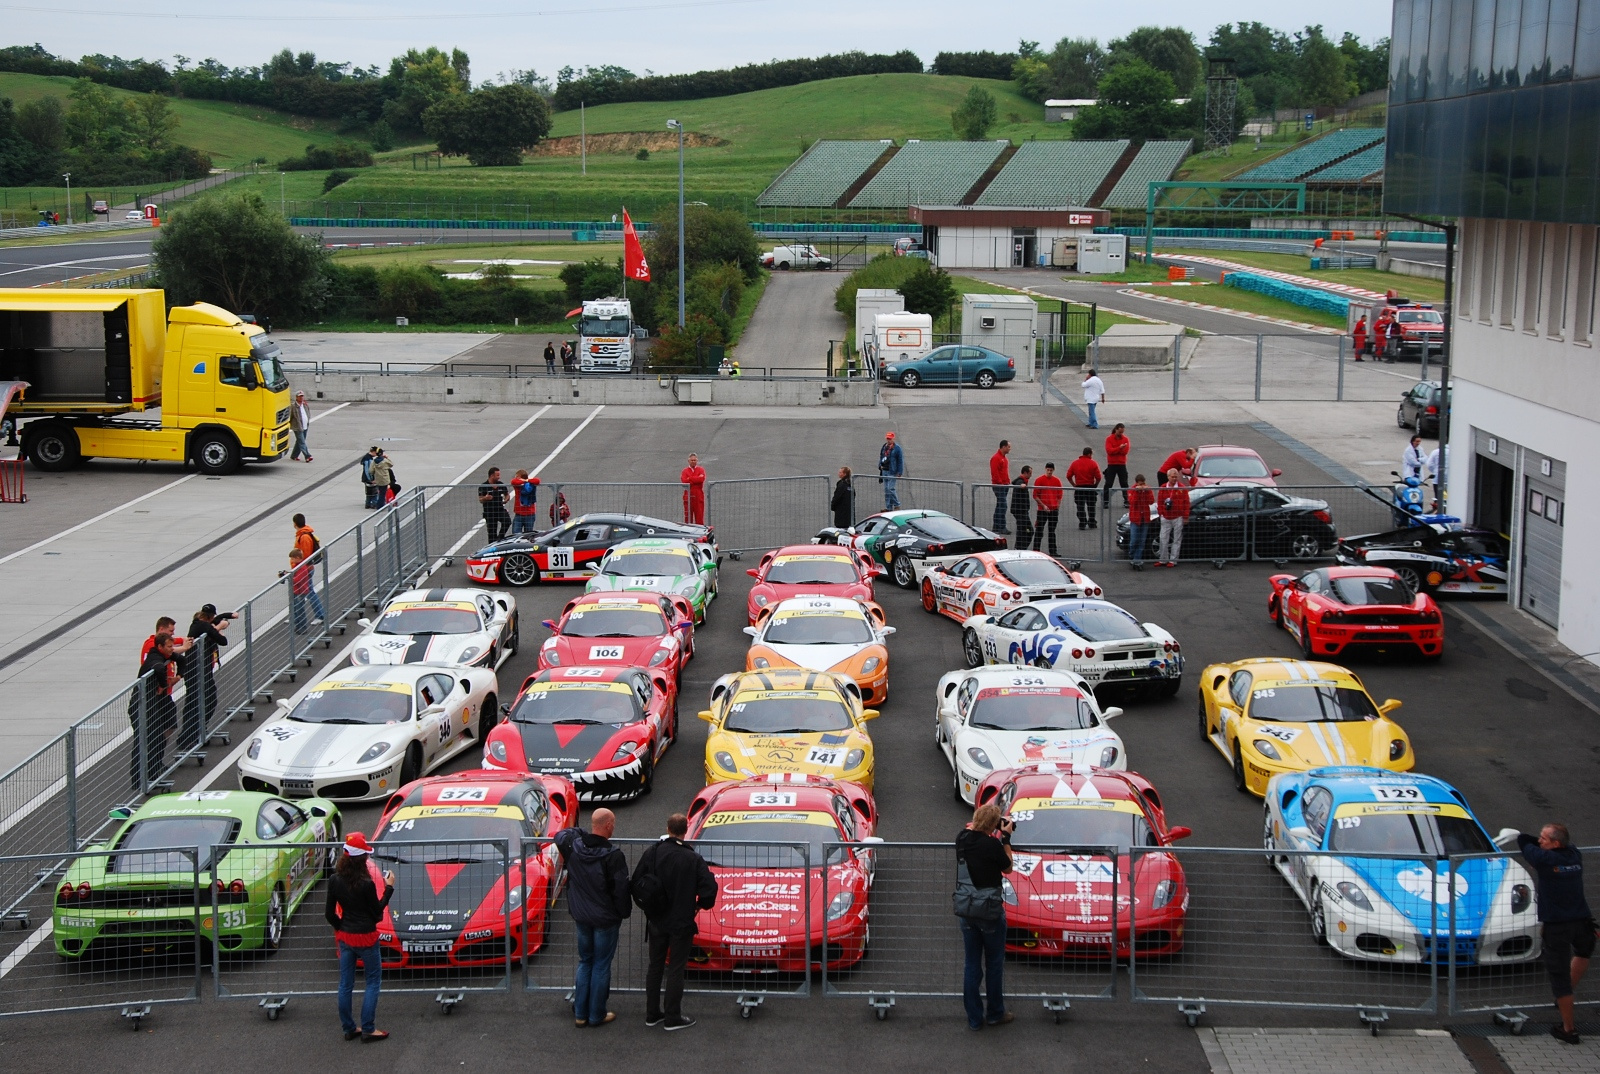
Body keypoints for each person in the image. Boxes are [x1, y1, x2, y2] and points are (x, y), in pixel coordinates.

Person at [632, 813, 716, 1031]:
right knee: (676, 968)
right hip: (681, 921)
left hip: (657, 920)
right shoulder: (692, 858)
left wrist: (648, 907)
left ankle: (652, 1014)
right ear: (685, 830)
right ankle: (672, 1016)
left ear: (668, 829)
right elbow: (709, 889)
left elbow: (636, 882)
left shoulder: (653, 852)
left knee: (655, 966)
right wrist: (700, 905)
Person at [1517, 824, 1595, 1045]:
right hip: (1582, 921)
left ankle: (1568, 1029)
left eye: (1544, 839)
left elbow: (1523, 840)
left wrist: (1533, 841)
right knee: (1584, 952)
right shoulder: (1574, 855)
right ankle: (1564, 998)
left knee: (1559, 979)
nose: (1540, 841)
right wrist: (1547, 840)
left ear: (1555, 844)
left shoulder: (1545, 860)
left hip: (1557, 927)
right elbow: (1543, 842)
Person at [555, 808, 632, 1028]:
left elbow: (560, 835)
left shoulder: (574, 847)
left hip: (582, 916)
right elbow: (620, 890)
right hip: (605, 919)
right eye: (613, 823)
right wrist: (623, 913)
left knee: (585, 961)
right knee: (601, 965)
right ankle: (596, 1014)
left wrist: (581, 831)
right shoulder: (613, 855)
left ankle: (580, 1013)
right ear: (608, 825)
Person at [325, 833, 395, 1043]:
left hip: (346, 937)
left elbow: (329, 914)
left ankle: (349, 1027)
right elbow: (377, 914)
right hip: (366, 937)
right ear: (363, 859)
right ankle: (368, 1028)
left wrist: (341, 929)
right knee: (373, 982)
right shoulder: (366, 884)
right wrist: (389, 888)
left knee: (345, 984)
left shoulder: (334, 879)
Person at [955, 802, 1014, 1030]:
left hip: (967, 908)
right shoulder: (992, 845)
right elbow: (1008, 867)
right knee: (994, 963)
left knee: (971, 964)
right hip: (989, 911)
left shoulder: (961, 839)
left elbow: (971, 828)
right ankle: (995, 1013)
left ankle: (974, 1018)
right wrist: (1005, 838)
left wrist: (988, 822)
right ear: (993, 826)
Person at [129, 633, 180, 791]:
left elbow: (182, 659)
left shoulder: (166, 655)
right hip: (142, 704)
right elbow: (158, 667)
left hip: (157, 702)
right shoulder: (154, 658)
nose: (172, 649)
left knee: (163, 730)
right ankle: (139, 779)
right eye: (169, 646)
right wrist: (164, 683)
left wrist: (179, 676)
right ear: (160, 647)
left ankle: (155, 765)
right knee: (144, 738)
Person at [180, 604, 231, 750]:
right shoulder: (202, 626)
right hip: (197, 670)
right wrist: (220, 627)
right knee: (200, 701)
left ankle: (197, 730)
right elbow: (223, 641)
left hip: (200, 670)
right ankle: (189, 735)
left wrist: (222, 621)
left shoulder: (199, 624)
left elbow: (222, 619)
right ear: (209, 617)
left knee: (201, 700)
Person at [1156, 469, 1190, 568]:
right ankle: (1163, 559)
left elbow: (1186, 503)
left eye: (1176, 477)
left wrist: (1185, 516)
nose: (1174, 479)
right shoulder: (1163, 487)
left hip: (1178, 517)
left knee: (1177, 539)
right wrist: (1161, 512)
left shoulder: (1182, 488)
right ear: (1168, 477)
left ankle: (1173, 560)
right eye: (1172, 477)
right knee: (1163, 539)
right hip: (1166, 517)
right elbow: (1159, 501)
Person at [286, 549, 325, 633]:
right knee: (297, 609)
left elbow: (297, 579)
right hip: (297, 591)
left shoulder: (302, 567)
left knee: (300, 610)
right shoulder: (299, 566)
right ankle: (298, 626)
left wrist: (289, 577)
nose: (291, 561)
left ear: (297, 558)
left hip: (300, 591)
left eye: (292, 558)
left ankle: (302, 627)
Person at [1031, 463, 1064, 556]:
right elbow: (1035, 495)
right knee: (1039, 530)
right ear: (1045, 469)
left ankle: (1053, 551)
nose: (1049, 472)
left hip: (1053, 509)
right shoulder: (1039, 480)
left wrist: (1057, 506)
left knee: (1052, 531)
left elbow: (1059, 495)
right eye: (1048, 470)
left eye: (1051, 470)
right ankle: (1036, 550)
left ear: (1053, 470)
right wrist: (1043, 505)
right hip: (1042, 509)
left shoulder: (1057, 481)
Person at [1065, 447, 1101, 531]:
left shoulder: (1075, 463)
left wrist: (1074, 484)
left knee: (1080, 506)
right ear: (1089, 454)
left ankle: (1082, 522)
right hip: (1090, 487)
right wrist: (1095, 484)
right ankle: (1091, 522)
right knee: (1091, 505)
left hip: (1079, 487)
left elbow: (1068, 476)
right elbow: (1098, 477)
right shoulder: (1093, 463)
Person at [1127, 474, 1155, 570]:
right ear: (1137, 483)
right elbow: (1132, 502)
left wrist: (1146, 492)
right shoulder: (1132, 489)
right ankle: (1131, 554)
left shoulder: (1147, 489)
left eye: (1143, 483)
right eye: (1140, 484)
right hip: (1135, 518)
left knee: (1142, 541)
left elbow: (1151, 501)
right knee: (1134, 540)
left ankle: (1137, 559)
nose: (1142, 485)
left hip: (1145, 518)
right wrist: (1137, 492)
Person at [478, 467, 511, 541]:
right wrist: (485, 498)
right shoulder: (484, 486)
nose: (499, 477)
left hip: (500, 509)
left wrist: (506, 500)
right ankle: (492, 546)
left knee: (507, 521)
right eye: (497, 475)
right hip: (489, 512)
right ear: (492, 475)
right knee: (491, 533)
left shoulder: (500, 484)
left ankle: (500, 538)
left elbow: (507, 495)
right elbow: (480, 499)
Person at [1102, 424, 1130, 508]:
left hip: (1121, 464)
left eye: (1122, 432)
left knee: (1124, 483)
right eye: (1120, 431)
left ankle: (1127, 500)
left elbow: (1125, 451)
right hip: (1112, 464)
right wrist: (1119, 448)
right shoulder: (1109, 439)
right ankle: (1105, 501)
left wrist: (1116, 450)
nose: (1121, 433)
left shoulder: (1125, 439)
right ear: (1116, 430)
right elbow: (1109, 451)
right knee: (1109, 483)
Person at [988, 440, 1012, 534]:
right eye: (1008, 447)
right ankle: (1001, 526)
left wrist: (1007, 482)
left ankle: (996, 526)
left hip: (1004, 485)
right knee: (1003, 505)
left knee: (1000, 505)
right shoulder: (996, 458)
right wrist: (1000, 483)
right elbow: (995, 473)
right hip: (999, 485)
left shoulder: (1003, 458)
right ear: (1004, 447)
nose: (1010, 448)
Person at [1009, 466, 1034, 550]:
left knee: (1022, 530)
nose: (1031, 475)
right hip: (1020, 511)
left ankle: (1019, 547)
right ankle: (1020, 548)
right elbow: (1017, 483)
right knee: (1027, 530)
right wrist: (1021, 485)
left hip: (1021, 511)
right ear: (1025, 473)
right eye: (1030, 473)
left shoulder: (1022, 481)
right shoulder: (1020, 481)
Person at [878, 432, 904, 510]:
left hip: (892, 471)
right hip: (884, 470)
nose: (888, 440)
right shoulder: (884, 446)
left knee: (890, 488)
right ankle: (888, 507)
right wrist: (879, 465)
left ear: (893, 438)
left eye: (890, 438)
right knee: (886, 490)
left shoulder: (897, 448)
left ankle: (897, 504)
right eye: (887, 438)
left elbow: (900, 460)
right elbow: (881, 456)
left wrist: (899, 472)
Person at [510, 469, 541, 535]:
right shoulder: (519, 485)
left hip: (529, 514)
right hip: (519, 514)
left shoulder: (527, 484)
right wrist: (525, 481)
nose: (516, 478)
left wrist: (525, 481)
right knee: (515, 535)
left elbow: (537, 481)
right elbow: (513, 481)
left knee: (528, 535)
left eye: (517, 476)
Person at [680, 454, 707, 526]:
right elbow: (684, 481)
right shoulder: (684, 471)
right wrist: (696, 478)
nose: (693, 462)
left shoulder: (701, 469)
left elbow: (701, 479)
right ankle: (688, 531)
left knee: (699, 516)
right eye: (692, 460)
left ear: (697, 461)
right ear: (688, 461)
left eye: (694, 460)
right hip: (688, 495)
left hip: (698, 495)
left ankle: (700, 532)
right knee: (688, 517)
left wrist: (690, 478)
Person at [289, 391, 312, 462]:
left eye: (302, 396)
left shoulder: (305, 405)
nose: (301, 397)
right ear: (296, 397)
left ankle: (294, 455)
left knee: (300, 441)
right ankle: (307, 456)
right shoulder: (293, 406)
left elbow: (308, 413)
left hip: (305, 426)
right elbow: (290, 416)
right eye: (300, 396)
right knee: (302, 442)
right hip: (297, 427)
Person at [1425, 444, 1446, 511]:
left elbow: (1429, 464)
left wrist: (1435, 471)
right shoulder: (1453, 452)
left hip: (1437, 478)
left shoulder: (1435, 452)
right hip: (1449, 480)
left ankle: (1437, 510)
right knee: (1446, 497)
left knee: (1438, 496)